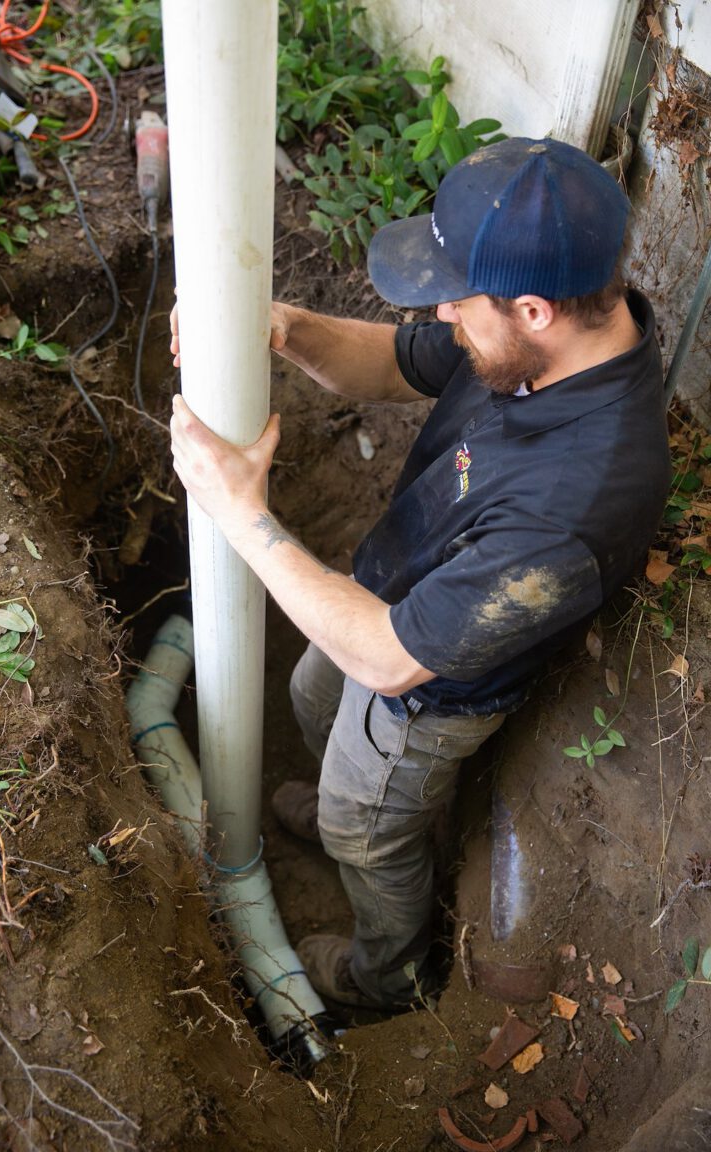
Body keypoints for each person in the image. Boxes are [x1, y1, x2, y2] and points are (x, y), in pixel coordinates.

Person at [169, 136, 671, 1012]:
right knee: (311, 700)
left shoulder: (577, 499)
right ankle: (342, 817)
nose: (440, 316)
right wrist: (287, 328)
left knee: (366, 825)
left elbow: (393, 663)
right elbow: (400, 361)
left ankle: (386, 976)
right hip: (393, 599)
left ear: (533, 310)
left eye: (455, 300)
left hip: (425, 693)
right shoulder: (538, 342)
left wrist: (239, 511)